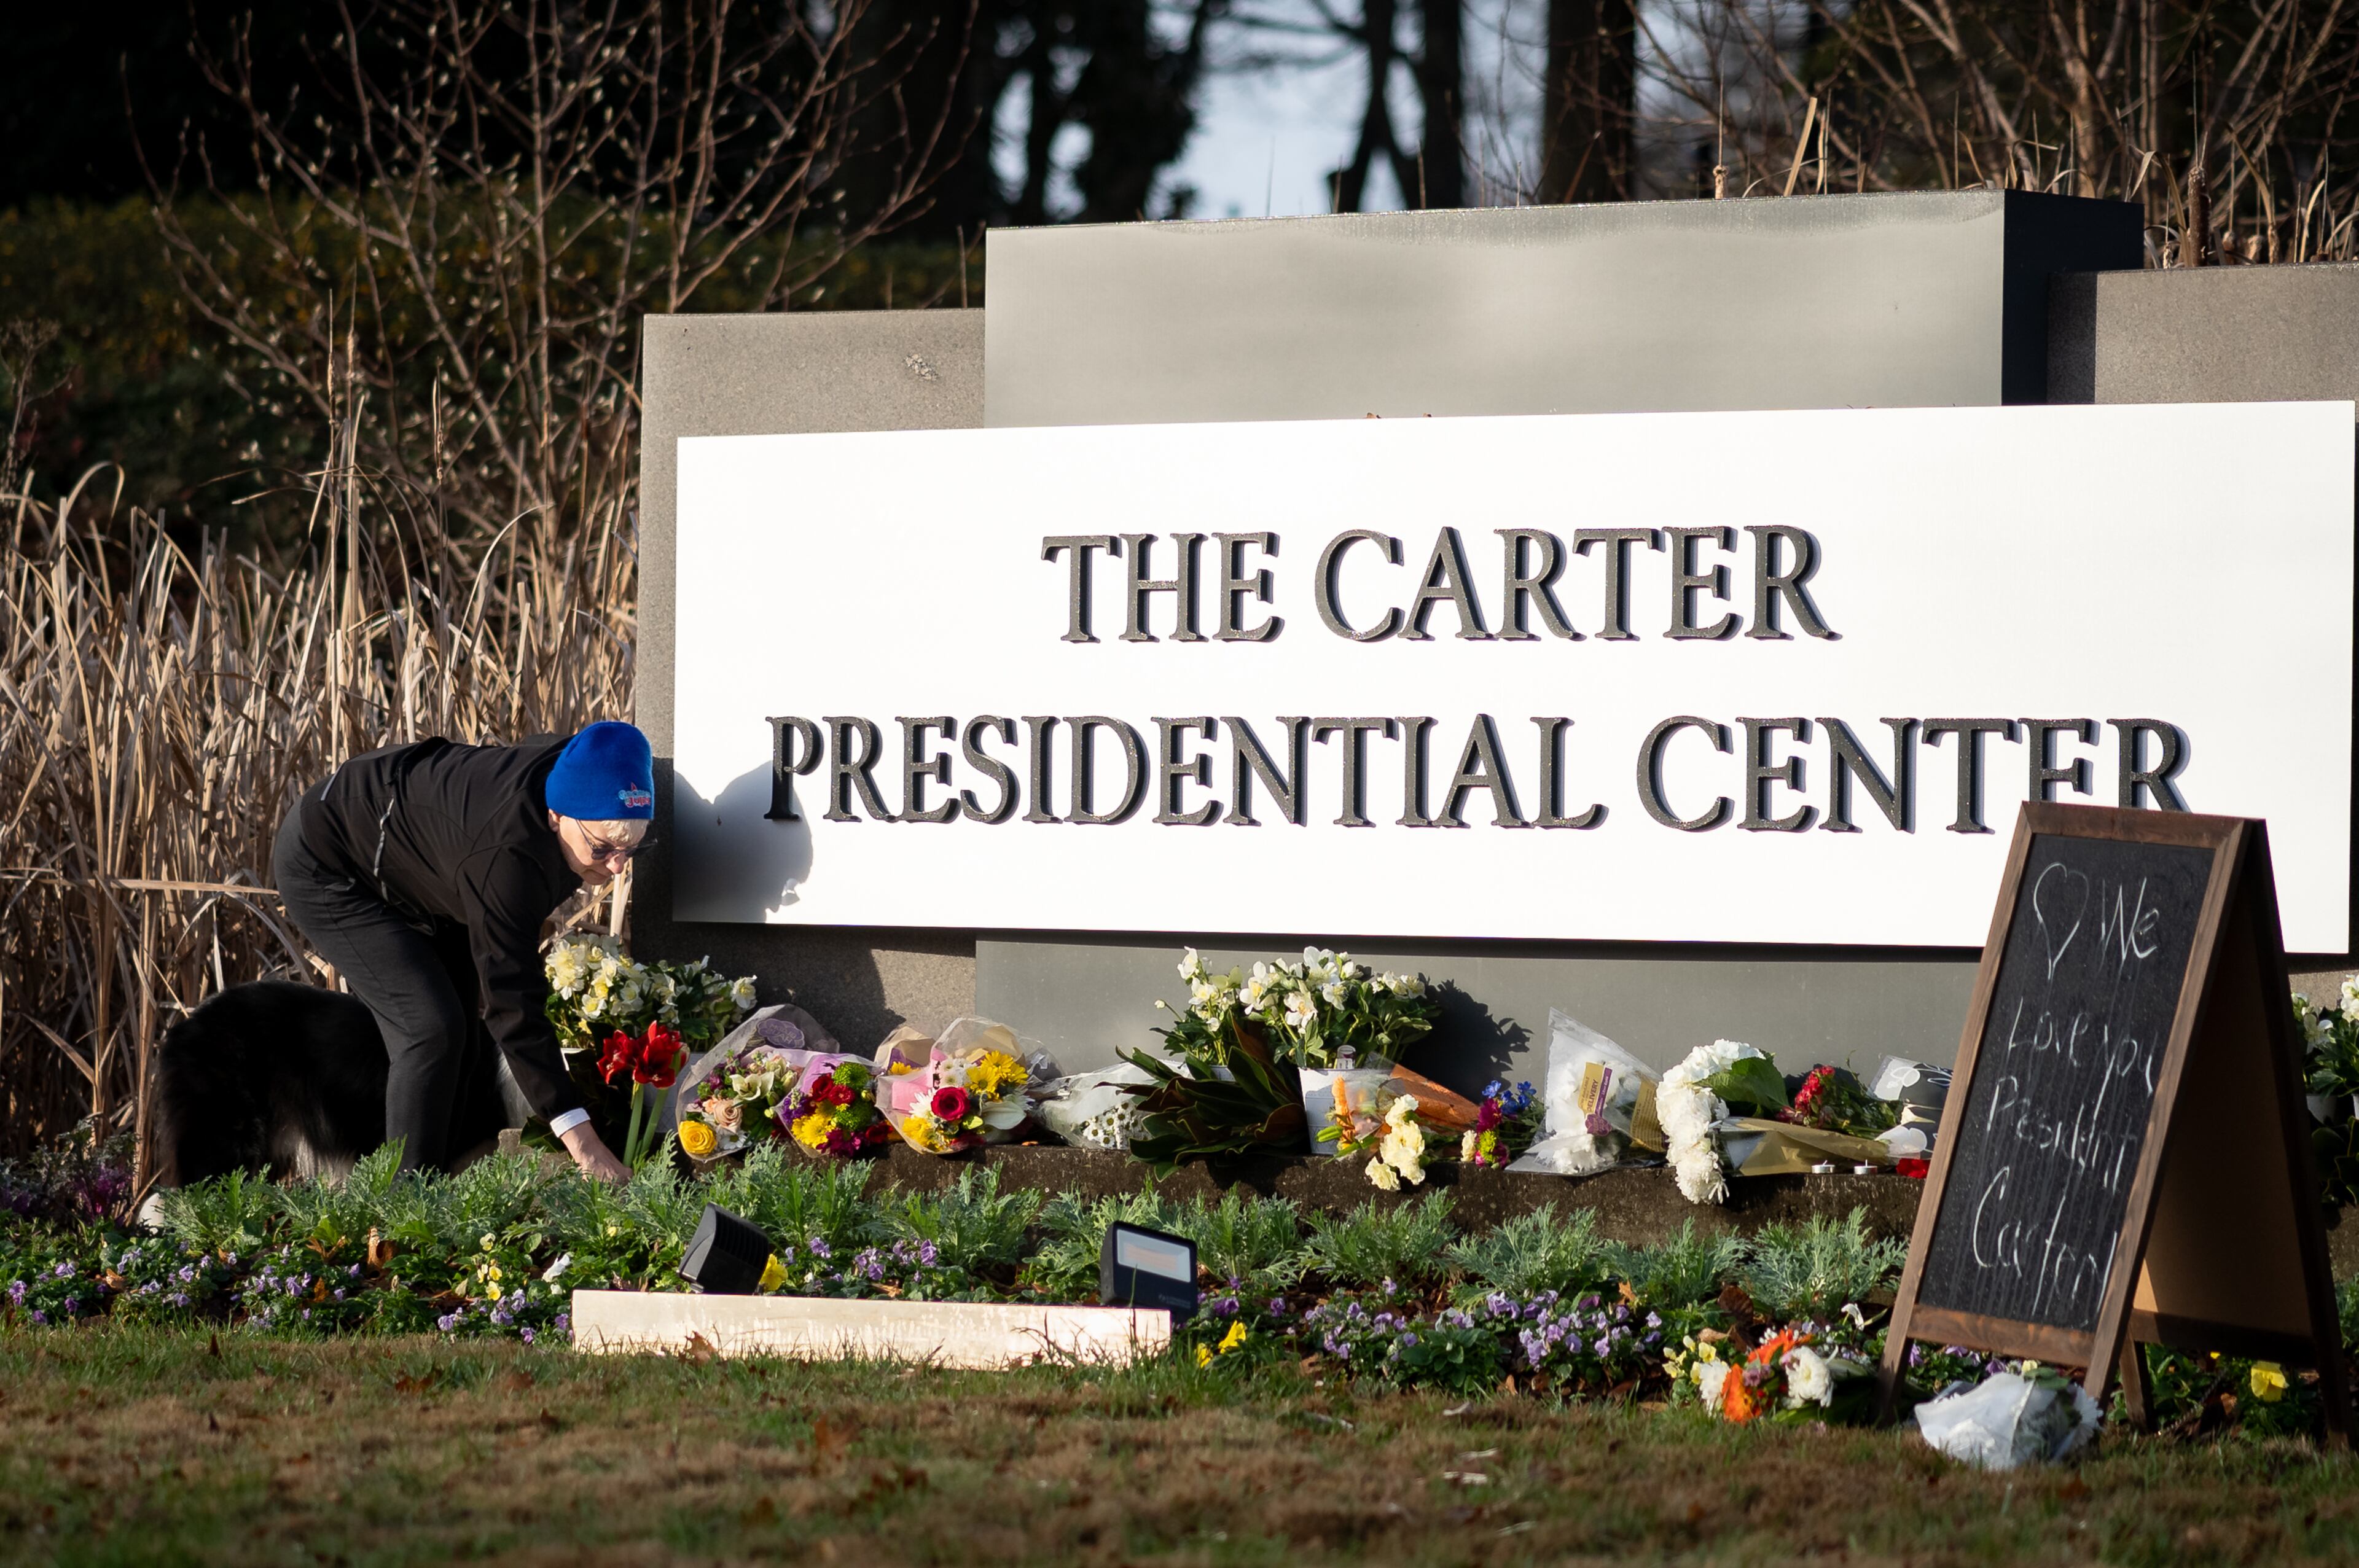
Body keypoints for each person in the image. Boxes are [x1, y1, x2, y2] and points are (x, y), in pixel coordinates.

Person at [272, 722, 654, 1180]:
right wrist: (586, 1145)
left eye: (631, 848)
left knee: (468, 1044)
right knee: (430, 1029)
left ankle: (440, 1195)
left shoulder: (588, 783)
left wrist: (611, 843)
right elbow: (513, 1005)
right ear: (557, 815)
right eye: (603, 848)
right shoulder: (506, 863)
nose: (615, 868)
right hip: (332, 862)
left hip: (432, 867)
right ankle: (403, 1214)